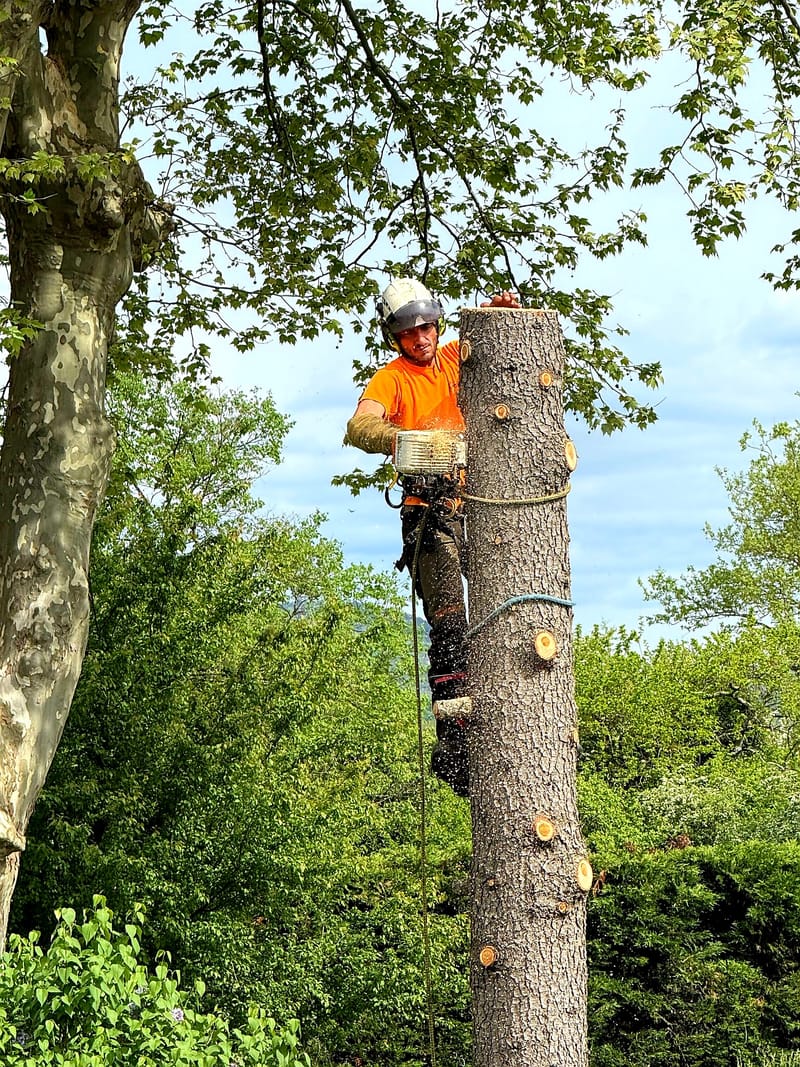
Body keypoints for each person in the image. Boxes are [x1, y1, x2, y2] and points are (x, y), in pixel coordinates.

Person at [345, 278, 520, 796]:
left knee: (501, 611)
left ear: (436, 325)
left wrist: (499, 312)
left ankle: (509, 704)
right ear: (395, 336)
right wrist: (404, 440)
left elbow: (492, 342)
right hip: (429, 512)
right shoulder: (392, 379)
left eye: (426, 327)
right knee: (449, 620)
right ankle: (454, 736)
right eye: (408, 331)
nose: (420, 338)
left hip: (480, 505)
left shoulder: (451, 358)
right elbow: (359, 425)